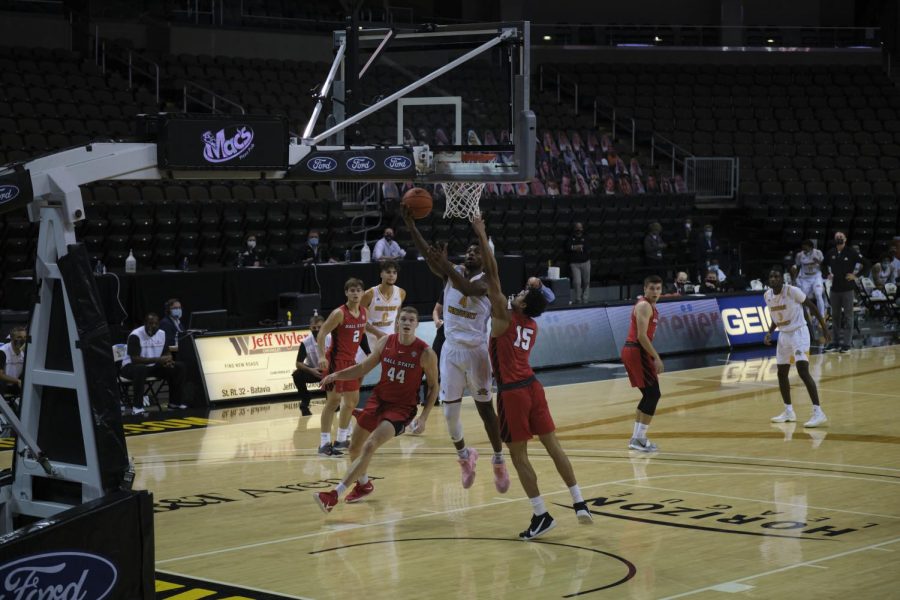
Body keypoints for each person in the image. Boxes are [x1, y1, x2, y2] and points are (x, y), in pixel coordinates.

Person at [471, 216, 593, 539]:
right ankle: (579, 501)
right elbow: (540, 299)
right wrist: (536, 289)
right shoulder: (532, 323)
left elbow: (493, 274)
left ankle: (541, 515)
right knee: (553, 446)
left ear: (523, 304)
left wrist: (482, 234)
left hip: (512, 392)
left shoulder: (504, 318)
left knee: (518, 455)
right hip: (534, 387)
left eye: (522, 294)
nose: (518, 293)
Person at [402, 205, 511, 493]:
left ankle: (499, 460)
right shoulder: (453, 272)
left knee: (487, 412)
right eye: (470, 250)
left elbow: (465, 288)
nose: (472, 253)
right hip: (450, 351)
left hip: (476, 353)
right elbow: (430, 257)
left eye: (478, 250)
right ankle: (465, 457)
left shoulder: (487, 282)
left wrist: (478, 235)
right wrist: (412, 226)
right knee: (449, 416)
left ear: (486, 258)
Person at [313, 307, 438, 512]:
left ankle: (334, 494)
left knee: (370, 445)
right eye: (403, 319)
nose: (407, 322)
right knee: (354, 448)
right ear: (397, 322)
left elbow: (434, 387)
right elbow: (362, 368)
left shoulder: (425, 352)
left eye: (411, 320)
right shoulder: (385, 342)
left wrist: (424, 417)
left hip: (401, 409)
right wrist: (336, 375)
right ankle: (364, 485)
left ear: (417, 324)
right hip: (378, 400)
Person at [765, 268, 831, 428]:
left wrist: (824, 328)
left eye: (776, 276)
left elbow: (812, 307)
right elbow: (776, 316)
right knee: (781, 373)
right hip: (783, 335)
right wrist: (769, 332)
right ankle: (788, 411)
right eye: (771, 276)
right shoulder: (767, 295)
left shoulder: (792, 291)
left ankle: (818, 412)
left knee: (802, 370)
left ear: (782, 279)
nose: (773, 278)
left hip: (799, 333)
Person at [316, 278, 368, 456]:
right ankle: (324, 444)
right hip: (335, 362)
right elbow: (322, 332)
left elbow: (362, 332)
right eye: (351, 290)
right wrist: (322, 355)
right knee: (334, 401)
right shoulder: (339, 313)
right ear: (346, 293)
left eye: (358, 290)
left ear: (362, 293)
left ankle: (341, 440)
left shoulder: (363, 313)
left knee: (352, 401)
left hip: (350, 363)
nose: (355, 293)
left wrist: (378, 335)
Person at [621, 275, 665, 452]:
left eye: (658, 288)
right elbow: (641, 336)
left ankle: (636, 438)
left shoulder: (651, 306)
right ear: (645, 289)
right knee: (654, 394)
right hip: (636, 349)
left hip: (635, 350)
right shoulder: (644, 306)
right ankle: (639, 439)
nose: (655, 292)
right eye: (652, 288)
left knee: (648, 395)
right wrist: (656, 357)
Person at [121, 313, 186, 415]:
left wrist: (168, 359)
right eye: (150, 323)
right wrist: (158, 360)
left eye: (156, 324)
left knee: (178, 367)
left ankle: (175, 403)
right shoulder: (135, 335)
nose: (153, 326)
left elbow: (166, 351)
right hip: (130, 367)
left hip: (152, 367)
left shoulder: (162, 334)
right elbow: (135, 360)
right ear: (145, 324)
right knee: (140, 368)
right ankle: (137, 407)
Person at [822, 231, 864, 353]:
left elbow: (866, 264)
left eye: (841, 236)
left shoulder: (851, 252)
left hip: (847, 290)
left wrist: (856, 276)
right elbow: (823, 265)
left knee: (848, 317)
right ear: (835, 239)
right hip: (834, 289)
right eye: (837, 237)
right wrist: (827, 274)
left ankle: (846, 344)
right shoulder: (831, 252)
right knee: (835, 317)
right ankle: (835, 342)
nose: (839, 238)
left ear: (845, 239)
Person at [362, 260, 407, 352]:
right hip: (369, 336)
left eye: (394, 272)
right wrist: (378, 333)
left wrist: (398, 335)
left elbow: (398, 316)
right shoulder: (369, 294)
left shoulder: (401, 293)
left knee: (392, 365)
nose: (391, 275)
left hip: (389, 337)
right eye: (388, 272)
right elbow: (360, 321)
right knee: (361, 365)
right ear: (381, 274)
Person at [293, 314, 326, 416]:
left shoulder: (331, 338)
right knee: (297, 374)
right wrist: (311, 370)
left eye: (319, 327)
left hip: (329, 371)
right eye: (314, 328)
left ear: (324, 326)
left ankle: (332, 397)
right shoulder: (306, 342)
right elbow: (298, 363)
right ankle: (305, 398)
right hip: (313, 371)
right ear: (310, 328)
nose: (317, 330)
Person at [790, 240, 828, 332]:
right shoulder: (800, 255)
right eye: (803, 247)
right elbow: (798, 267)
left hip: (816, 276)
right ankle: (807, 318)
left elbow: (825, 265)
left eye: (806, 247)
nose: (804, 249)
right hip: (805, 278)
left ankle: (822, 318)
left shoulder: (818, 253)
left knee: (818, 294)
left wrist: (818, 262)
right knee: (804, 298)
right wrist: (794, 279)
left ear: (811, 247)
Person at [566, 222, 591, 304]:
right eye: (577, 228)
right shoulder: (570, 238)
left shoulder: (586, 237)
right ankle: (578, 299)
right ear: (574, 229)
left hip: (585, 262)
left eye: (580, 228)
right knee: (577, 282)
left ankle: (585, 299)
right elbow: (568, 247)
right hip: (574, 264)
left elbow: (587, 248)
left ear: (582, 229)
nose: (578, 230)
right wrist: (575, 247)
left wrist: (576, 247)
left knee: (586, 282)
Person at [0, 326, 26, 397]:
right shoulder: (2, 352)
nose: (22, 340)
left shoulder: (23, 355)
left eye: (24, 337)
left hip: (14, 387)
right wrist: (17, 381)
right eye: (19, 337)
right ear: (11, 338)